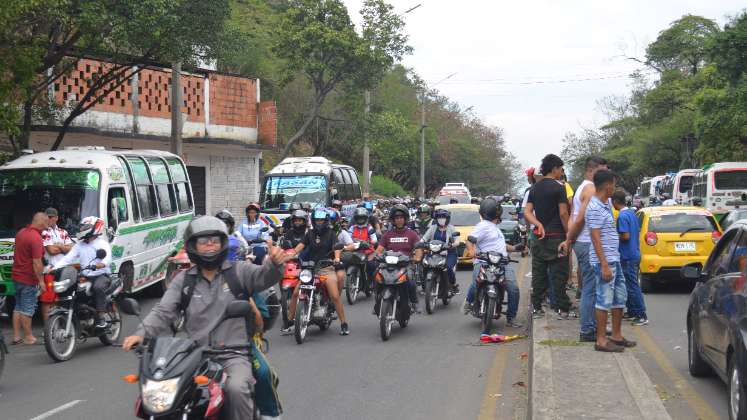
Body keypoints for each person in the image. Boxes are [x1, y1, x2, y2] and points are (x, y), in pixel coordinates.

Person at [122, 216, 288, 418]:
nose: (209, 244)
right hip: (194, 356)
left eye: (214, 239)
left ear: (223, 243)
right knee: (167, 394)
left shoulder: (239, 272)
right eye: (203, 240)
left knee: (236, 388)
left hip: (233, 355)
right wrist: (142, 334)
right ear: (192, 245)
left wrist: (276, 264)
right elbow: (163, 311)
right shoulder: (184, 280)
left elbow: (265, 276)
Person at [585, 169, 637, 352]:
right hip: (604, 261)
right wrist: (605, 264)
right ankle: (601, 340)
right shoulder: (595, 208)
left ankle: (616, 335)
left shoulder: (604, 204)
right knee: (604, 298)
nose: (614, 188)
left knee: (619, 297)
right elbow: (595, 238)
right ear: (608, 186)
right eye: (613, 185)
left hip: (613, 259)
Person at [557, 156, 608, 341]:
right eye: (603, 171)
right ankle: (587, 330)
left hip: (584, 241)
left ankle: (594, 326)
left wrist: (571, 239)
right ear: (591, 171)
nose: (607, 174)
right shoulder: (591, 189)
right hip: (588, 242)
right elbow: (579, 220)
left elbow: (572, 216)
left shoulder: (582, 188)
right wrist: (570, 239)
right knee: (590, 288)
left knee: (592, 287)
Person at [523, 154, 575, 320]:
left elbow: (527, 212)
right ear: (554, 169)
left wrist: (537, 225)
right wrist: (569, 235)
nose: (561, 172)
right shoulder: (559, 187)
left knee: (539, 274)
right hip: (557, 237)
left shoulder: (534, 188)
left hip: (538, 238)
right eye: (560, 169)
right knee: (559, 274)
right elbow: (563, 214)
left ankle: (537, 308)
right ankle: (563, 310)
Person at [283, 208, 349, 335]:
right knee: (296, 292)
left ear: (326, 221)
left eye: (321, 220)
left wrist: (336, 258)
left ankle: (343, 323)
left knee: (335, 296)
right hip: (310, 269)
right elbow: (300, 246)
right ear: (313, 221)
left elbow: (336, 247)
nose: (319, 222)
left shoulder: (330, 234)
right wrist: (290, 256)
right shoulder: (310, 233)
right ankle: (290, 321)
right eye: (317, 220)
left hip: (326, 268)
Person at [463, 198, 527, 327]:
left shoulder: (495, 228)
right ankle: (468, 301)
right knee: (476, 282)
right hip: (483, 261)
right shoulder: (483, 226)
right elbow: (469, 240)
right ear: (498, 213)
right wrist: (471, 250)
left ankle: (511, 317)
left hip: (502, 263)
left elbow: (502, 246)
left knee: (513, 289)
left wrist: (515, 248)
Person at [48, 216, 112, 329]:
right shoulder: (79, 245)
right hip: (85, 276)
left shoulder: (102, 244)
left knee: (98, 287)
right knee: (72, 289)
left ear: (93, 228)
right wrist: (54, 268)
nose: (81, 230)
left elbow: (108, 258)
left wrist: (102, 263)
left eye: (84, 227)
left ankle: (101, 317)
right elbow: (68, 259)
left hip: (101, 275)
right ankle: (79, 314)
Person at [370, 204, 424, 315]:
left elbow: (418, 251)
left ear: (405, 219)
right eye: (396, 218)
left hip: (405, 264)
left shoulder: (412, 234)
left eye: (401, 218)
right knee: (376, 275)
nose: (399, 220)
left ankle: (415, 301)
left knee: (410, 278)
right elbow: (379, 250)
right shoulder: (387, 234)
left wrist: (417, 257)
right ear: (393, 220)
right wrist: (373, 256)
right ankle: (377, 302)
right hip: (388, 264)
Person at [611, 192, 648, 326]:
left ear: (615, 201)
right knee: (628, 285)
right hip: (633, 253)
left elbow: (625, 236)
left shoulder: (622, 216)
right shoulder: (632, 213)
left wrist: (612, 236)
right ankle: (632, 311)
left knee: (632, 286)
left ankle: (641, 314)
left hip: (627, 255)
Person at [11, 212, 48, 345]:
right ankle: (28, 337)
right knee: (27, 308)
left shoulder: (21, 232)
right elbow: (37, 262)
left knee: (18, 306)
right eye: (47, 224)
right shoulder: (36, 238)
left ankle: (16, 336)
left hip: (16, 274)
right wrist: (41, 281)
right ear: (43, 223)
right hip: (27, 276)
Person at [40, 208, 73, 323]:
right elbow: (51, 251)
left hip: (61, 270)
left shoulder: (63, 232)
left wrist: (58, 245)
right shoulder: (44, 232)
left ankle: (53, 326)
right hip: (49, 269)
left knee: (56, 299)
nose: (48, 219)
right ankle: (47, 327)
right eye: (46, 217)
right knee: (47, 299)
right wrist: (63, 248)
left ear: (56, 217)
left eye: (50, 217)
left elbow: (71, 249)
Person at [421, 208, 461, 295]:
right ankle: (425, 286)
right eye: (439, 217)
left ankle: (453, 285)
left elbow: (457, 241)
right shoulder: (432, 228)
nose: (441, 219)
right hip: (434, 253)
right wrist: (420, 243)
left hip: (449, 253)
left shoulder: (452, 228)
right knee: (425, 266)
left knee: (449, 268)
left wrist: (452, 245)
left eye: (443, 217)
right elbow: (424, 238)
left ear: (447, 218)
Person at [349, 207, 379, 289]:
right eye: (359, 219)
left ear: (366, 219)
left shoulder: (369, 228)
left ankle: (373, 280)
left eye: (362, 219)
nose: (360, 220)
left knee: (370, 264)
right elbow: (348, 238)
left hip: (368, 252)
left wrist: (373, 241)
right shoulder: (352, 228)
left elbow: (374, 239)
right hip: (355, 251)